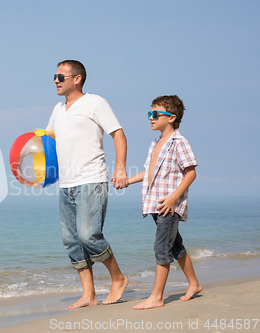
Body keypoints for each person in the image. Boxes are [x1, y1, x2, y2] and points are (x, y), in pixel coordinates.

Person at [46, 60, 129, 309]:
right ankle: (89, 294)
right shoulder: (58, 110)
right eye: (55, 76)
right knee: (72, 241)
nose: (56, 81)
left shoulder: (95, 103)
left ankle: (118, 277)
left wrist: (121, 167)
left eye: (61, 76)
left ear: (77, 79)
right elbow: (47, 141)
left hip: (91, 179)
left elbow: (118, 134)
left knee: (89, 235)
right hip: (66, 184)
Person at [123, 95, 202, 310]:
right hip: (155, 204)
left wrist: (174, 198)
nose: (150, 117)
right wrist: (128, 180)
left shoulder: (179, 142)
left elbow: (191, 173)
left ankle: (157, 297)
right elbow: (149, 173)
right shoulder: (156, 143)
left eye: (155, 114)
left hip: (169, 205)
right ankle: (194, 284)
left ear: (171, 117)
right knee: (175, 246)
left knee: (161, 248)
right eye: (149, 113)